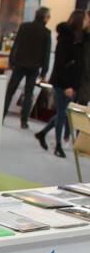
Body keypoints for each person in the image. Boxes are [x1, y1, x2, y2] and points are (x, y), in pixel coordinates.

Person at [34, 10, 85, 158]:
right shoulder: (66, 38)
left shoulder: (79, 39)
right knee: (63, 114)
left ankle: (42, 133)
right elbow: (61, 64)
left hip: (71, 83)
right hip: (63, 83)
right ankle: (57, 145)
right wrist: (68, 85)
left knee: (65, 114)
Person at [2, 6, 51, 129]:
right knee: (28, 94)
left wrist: (11, 60)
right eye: (49, 17)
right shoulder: (46, 33)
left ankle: (1, 116)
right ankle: (24, 121)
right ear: (45, 17)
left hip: (19, 63)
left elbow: (16, 44)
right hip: (34, 67)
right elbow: (46, 53)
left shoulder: (24, 27)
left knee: (10, 91)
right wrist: (44, 71)